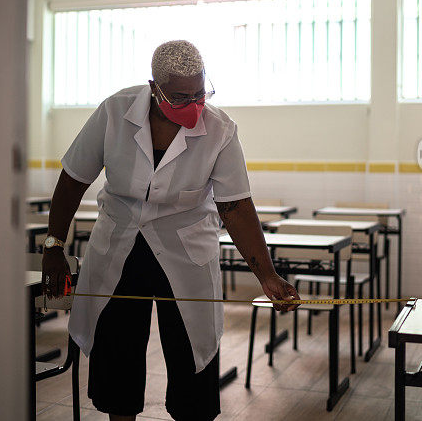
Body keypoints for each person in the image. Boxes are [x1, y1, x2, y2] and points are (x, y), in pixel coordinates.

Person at [41, 40, 300, 421]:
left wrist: (267, 275)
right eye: (180, 97)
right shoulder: (115, 111)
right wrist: (53, 245)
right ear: (154, 87)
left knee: (190, 353)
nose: (194, 104)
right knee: (117, 351)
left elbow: (236, 207)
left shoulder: (220, 129)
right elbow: (73, 179)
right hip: (120, 246)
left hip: (185, 252)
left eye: (200, 93)